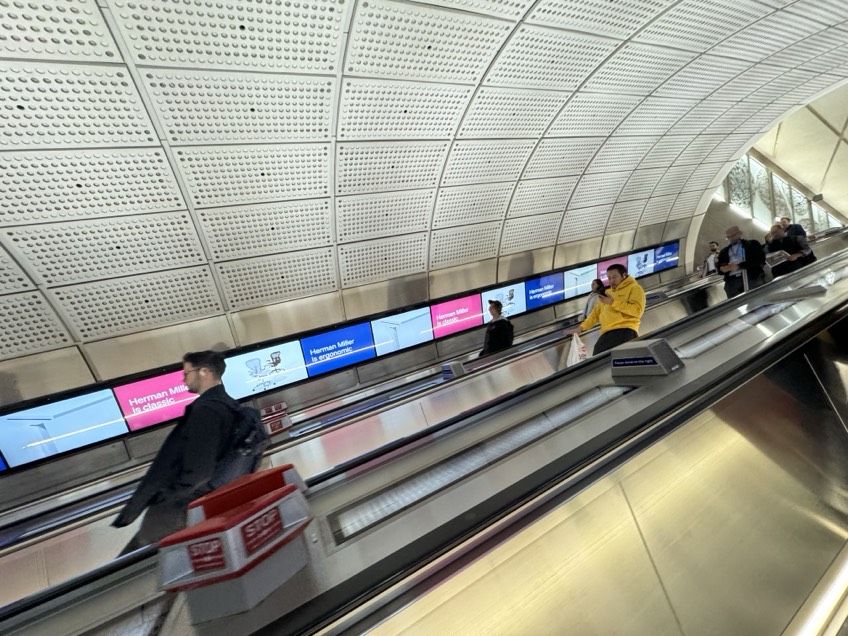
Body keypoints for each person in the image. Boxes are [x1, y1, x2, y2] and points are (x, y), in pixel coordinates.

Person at [113, 350, 240, 554]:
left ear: (204, 372)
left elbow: (199, 470)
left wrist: (169, 495)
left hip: (180, 507)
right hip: (204, 499)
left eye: (187, 373)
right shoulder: (229, 404)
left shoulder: (206, 410)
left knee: (140, 560)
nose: (183, 379)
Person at [568, 264, 646, 355]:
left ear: (624, 275)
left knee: (603, 360)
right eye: (609, 278)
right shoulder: (608, 292)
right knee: (598, 360)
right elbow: (595, 313)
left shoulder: (635, 288)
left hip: (625, 331)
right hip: (607, 333)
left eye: (615, 277)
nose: (611, 280)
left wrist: (613, 303)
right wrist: (581, 328)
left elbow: (637, 311)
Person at [716, 225, 767, 299]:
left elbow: (759, 259)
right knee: (736, 302)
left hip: (751, 276)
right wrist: (722, 269)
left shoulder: (752, 244)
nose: (731, 238)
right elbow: (719, 267)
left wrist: (739, 265)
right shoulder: (724, 251)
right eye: (728, 237)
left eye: (733, 235)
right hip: (732, 281)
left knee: (757, 299)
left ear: (740, 233)